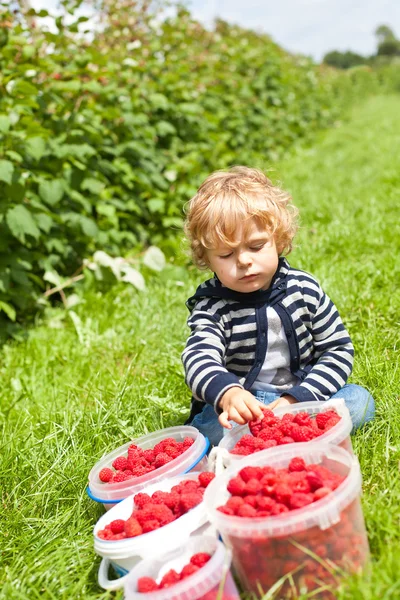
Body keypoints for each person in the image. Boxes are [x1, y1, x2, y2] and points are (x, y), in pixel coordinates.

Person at [181, 166, 375, 447]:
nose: (244, 261)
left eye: (256, 246)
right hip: (243, 411)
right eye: (226, 254)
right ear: (207, 259)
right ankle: (286, 440)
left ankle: (285, 437)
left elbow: (337, 350)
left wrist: (297, 398)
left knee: (359, 402)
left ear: (279, 240)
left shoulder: (304, 290)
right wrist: (229, 394)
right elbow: (198, 359)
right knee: (205, 435)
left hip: (302, 398)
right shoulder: (212, 307)